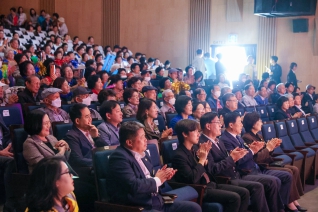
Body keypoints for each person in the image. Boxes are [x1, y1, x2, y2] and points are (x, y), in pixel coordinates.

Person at [105, 121, 201, 211]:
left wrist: (163, 178)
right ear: (129, 142)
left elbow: (152, 179)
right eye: (142, 137)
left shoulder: (144, 154)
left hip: (157, 200)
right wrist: (158, 179)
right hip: (139, 206)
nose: (146, 140)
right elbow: (134, 186)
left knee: (194, 208)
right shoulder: (119, 158)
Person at [220, 112, 293, 212]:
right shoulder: (226, 140)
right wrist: (252, 151)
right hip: (246, 171)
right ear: (231, 125)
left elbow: (249, 154)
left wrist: (261, 149)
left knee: (286, 175)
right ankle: (278, 209)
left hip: (256, 168)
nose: (242, 124)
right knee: (273, 181)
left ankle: (283, 206)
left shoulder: (238, 138)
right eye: (239, 122)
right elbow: (238, 160)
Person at [172, 119, 250, 212]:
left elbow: (209, 169)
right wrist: (201, 160)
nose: (198, 134)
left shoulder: (195, 149)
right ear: (185, 134)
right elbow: (192, 178)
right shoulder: (179, 156)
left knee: (244, 192)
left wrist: (205, 160)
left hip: (211, 183)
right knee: (234, 198)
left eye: (198, 131)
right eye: (195, 131)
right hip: (200, 189)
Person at [199, 112, 270, 212]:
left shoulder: (218, 141)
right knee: (255, 188)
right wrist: (232, 158)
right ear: (208, 126)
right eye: (218, 122)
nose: (220, 125)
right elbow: (213, 169)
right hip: (223, 179)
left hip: (235, 174)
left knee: (260, 185)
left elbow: (228, 159)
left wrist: (237, 155)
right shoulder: (203, 145)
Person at [242, 112, 306, 212]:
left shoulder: (259, 136)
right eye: (259, 121)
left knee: (294, 169)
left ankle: (292, 200)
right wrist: (268, 148)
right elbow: (256, 158)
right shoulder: (246, 137)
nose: (262, 123)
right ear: (253, 124)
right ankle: (289, 203)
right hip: (261, 165)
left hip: (268, 162)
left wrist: (272, 148)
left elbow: (267, 152)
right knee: (289, 172)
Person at [64, 104, 100, 169]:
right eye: (87, 116)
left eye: (90, 116)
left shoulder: (93, 130)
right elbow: (78, 160)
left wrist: (96, 137)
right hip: (89, 170)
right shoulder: (71, 136)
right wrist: (100, 162)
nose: (90, 119)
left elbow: (107, 148)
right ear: (77, 121)